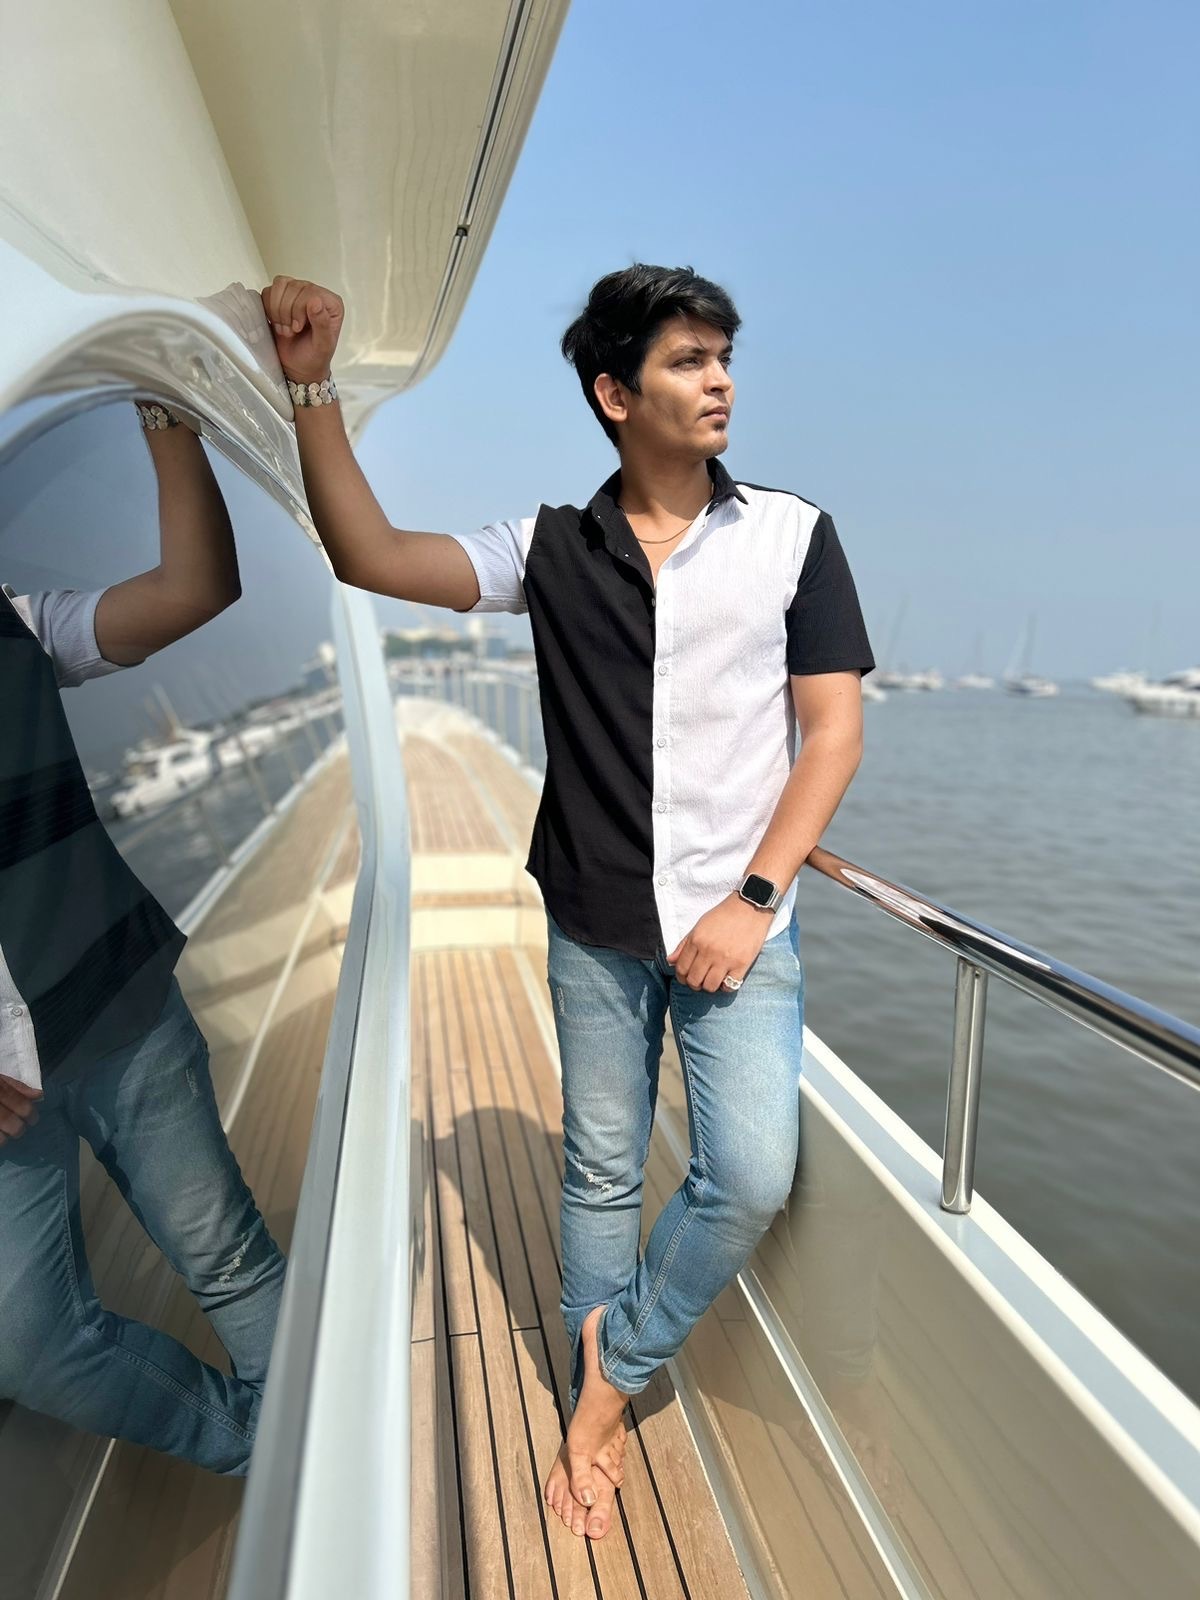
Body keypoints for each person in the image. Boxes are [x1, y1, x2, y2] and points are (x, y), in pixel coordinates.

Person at [260, 263, 875, 1539]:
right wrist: (312, 387)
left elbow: (831, 735)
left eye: (724, 357)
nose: (721, 381)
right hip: (593, 916)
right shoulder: (547, 548)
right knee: (599, 1166)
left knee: (748, 1174)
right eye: (688, 361)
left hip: (739, 925)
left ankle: (609, 1379)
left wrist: (754, 896)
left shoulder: (794, 536)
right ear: (615, 394)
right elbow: (371, 554)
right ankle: (593, 1400)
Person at [0, 401, 286, 1476]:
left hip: (119, 1005)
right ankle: (256, 1446)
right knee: (32, 1345)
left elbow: (195, 587)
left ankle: (309, 1467)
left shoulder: (13, 622)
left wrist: (164, 405)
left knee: (228, 1257)